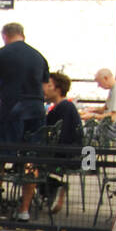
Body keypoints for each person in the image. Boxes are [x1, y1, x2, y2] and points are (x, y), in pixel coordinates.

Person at [0, 23, 49, 221]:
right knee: (31, 159)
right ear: (23, 35)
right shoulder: (39, 56)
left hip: (11, 109)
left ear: (5, 35)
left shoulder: (1, 54)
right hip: (36, 110)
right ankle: (24, 210)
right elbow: (44, 88)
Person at [39, 72, 82, 216]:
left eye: (48, 85)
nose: (44, 88)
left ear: (57, 88)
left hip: (64, 154)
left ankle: (53, 187)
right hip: (70, 152)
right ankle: (48, 191)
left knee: (28, 161)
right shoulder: (65, 107)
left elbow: (60, 135)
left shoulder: (63, 108)